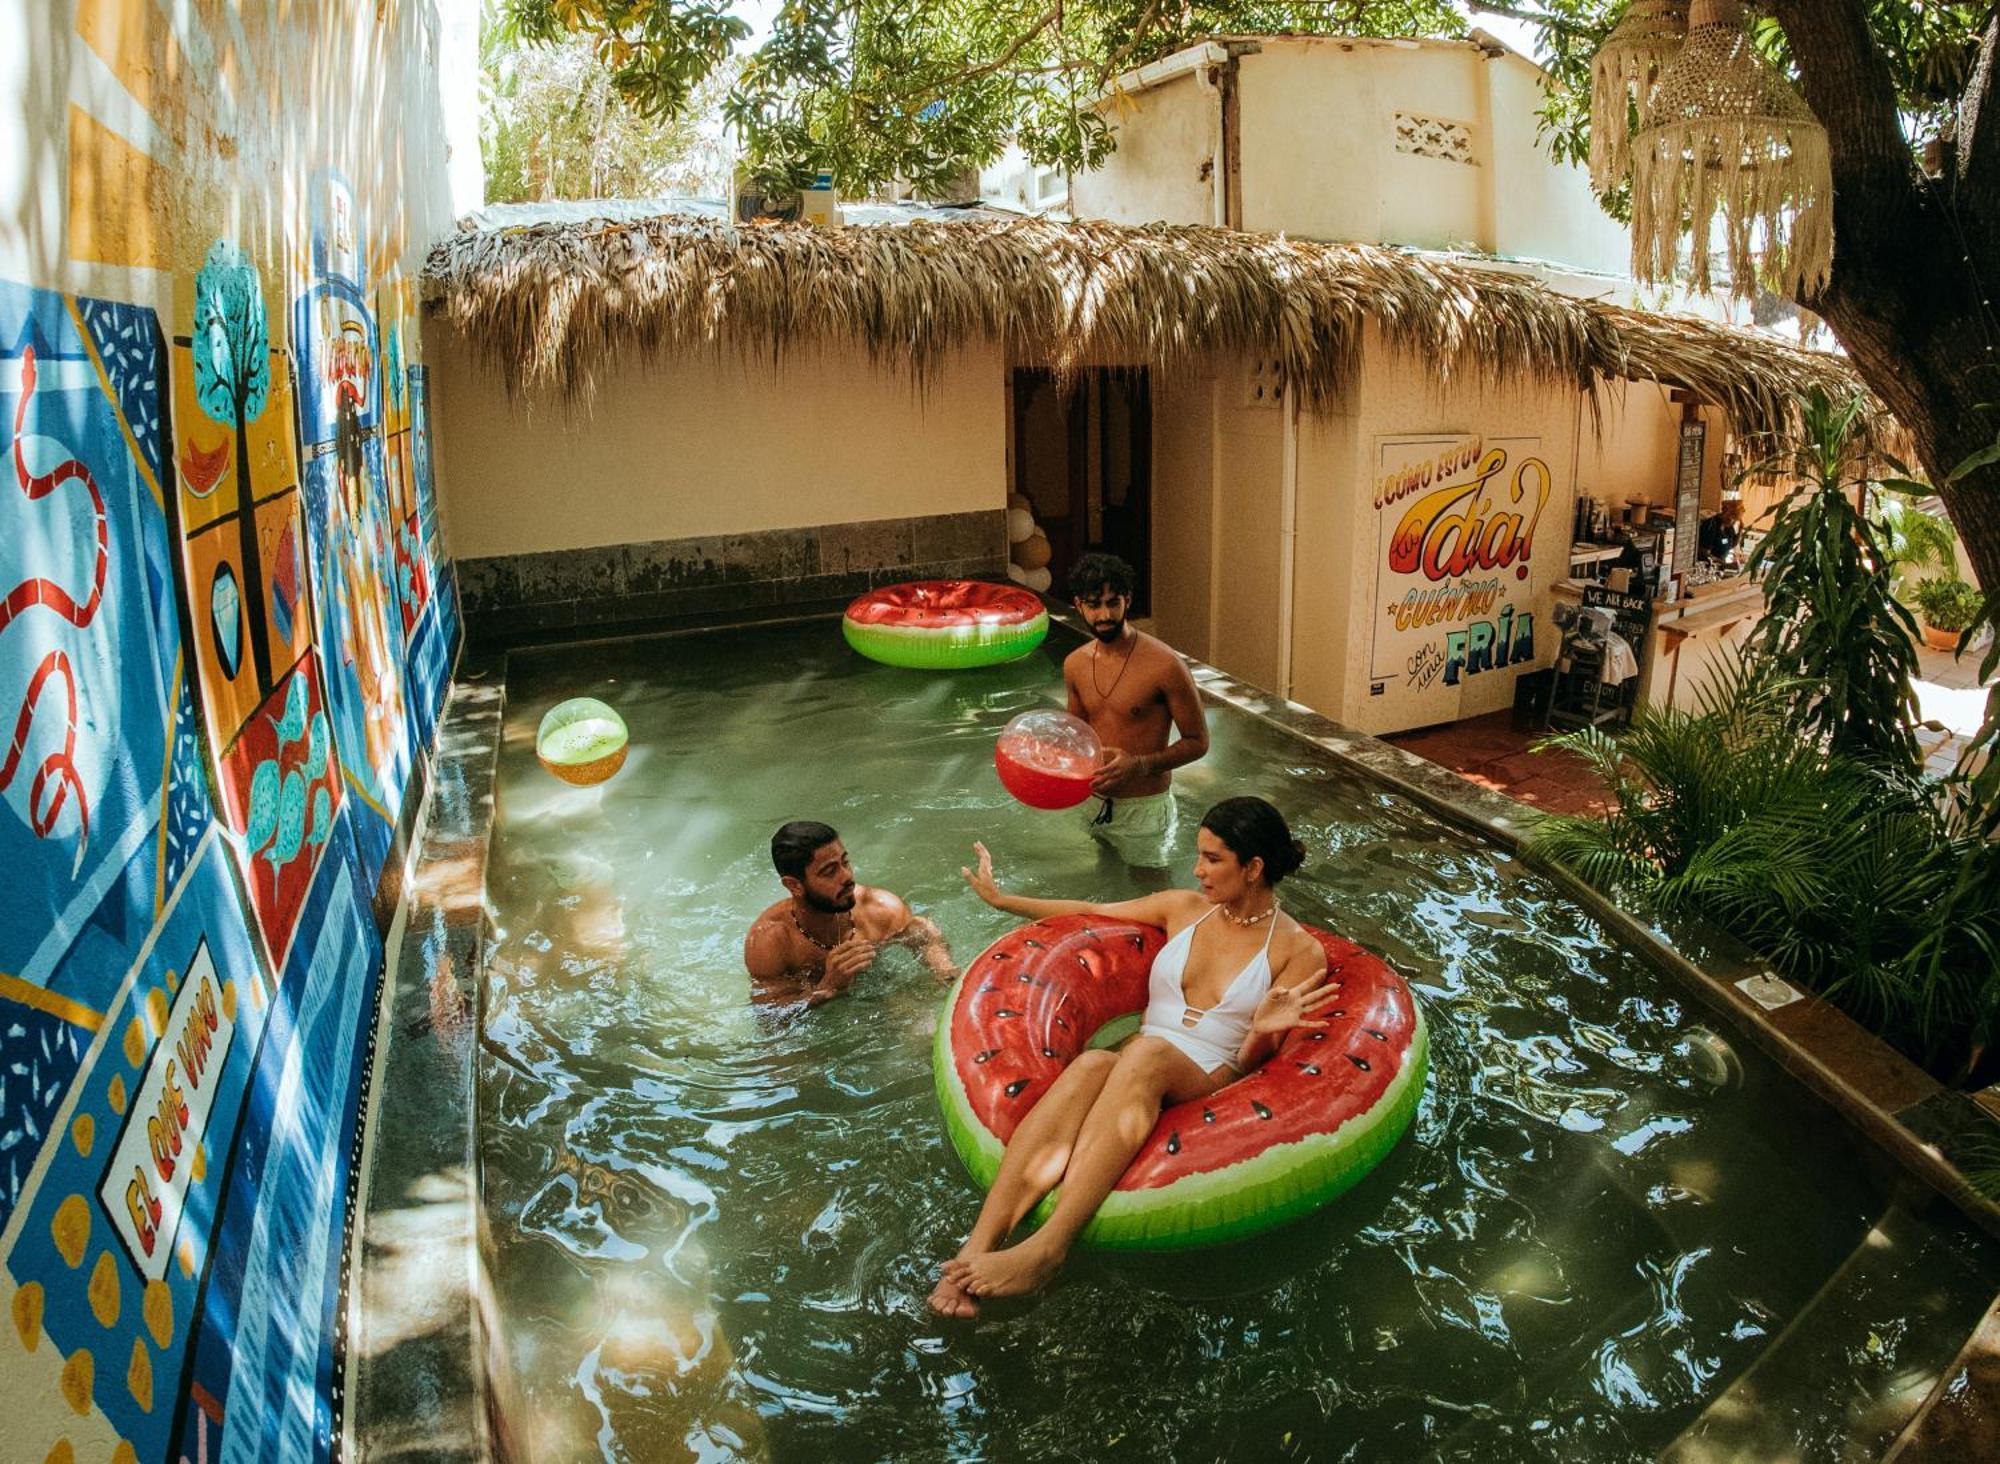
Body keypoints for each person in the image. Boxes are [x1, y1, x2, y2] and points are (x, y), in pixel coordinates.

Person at [927, 797, 1332, 1315]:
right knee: (1095, 1063)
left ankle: (1051, 1247)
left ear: (1253, 868)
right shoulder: (1185, 909)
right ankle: (973, 1251)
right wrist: (1004, 900)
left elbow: (1257, 1064)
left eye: (1212, 859)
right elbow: (1091, 913)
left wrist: (1262, 1028)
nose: (1197, 869)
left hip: (1212, 1069)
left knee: (1144, 1054)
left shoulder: (1297, 951)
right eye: (1198, 855)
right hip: (1145, 1056)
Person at [1063, 552, 1209, 869]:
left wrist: (1139, 765)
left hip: (1146, 808)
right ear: (1079, 605)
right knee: (1106, 882)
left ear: (1127, 601)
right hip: (1094, 802)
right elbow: (1076, 737)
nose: (1104, 614)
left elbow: (1198, 741)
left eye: (1113, 602)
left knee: (1152, 895)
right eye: (1094, 604)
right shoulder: (1075, 664)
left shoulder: (1165, 665)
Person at [743, 821, 954, 1006]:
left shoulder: (879, 908)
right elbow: (769, 1016)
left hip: (882, 987)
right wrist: (827, 987)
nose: (847, 877)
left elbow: (923, 935)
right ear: (794, 885)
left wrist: (943, 967)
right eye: (829, 871)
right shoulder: (770, 942)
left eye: (845, 862)